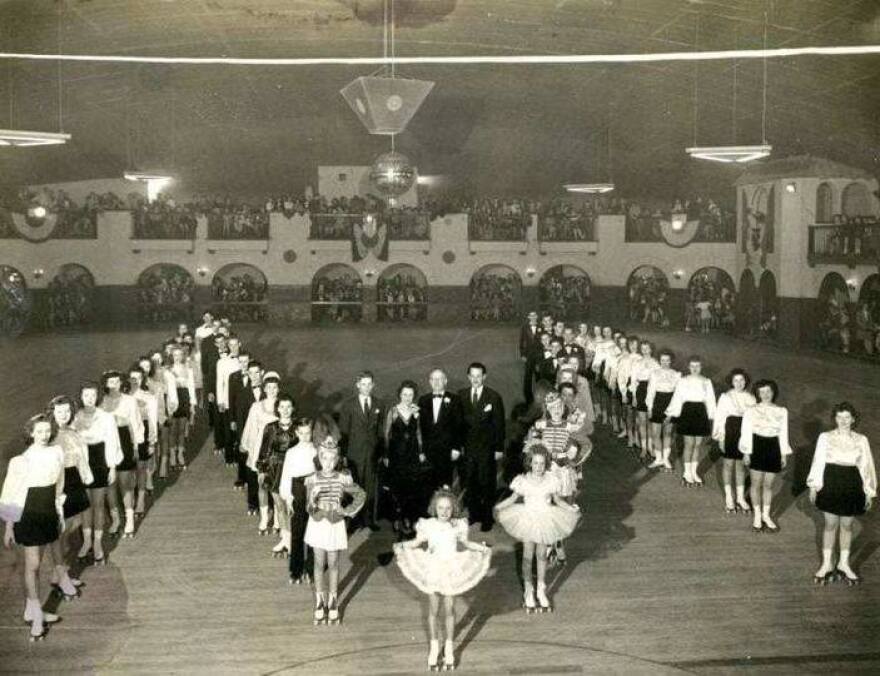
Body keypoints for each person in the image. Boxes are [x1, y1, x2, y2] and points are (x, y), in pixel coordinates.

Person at [394, 486, 491, 670]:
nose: (444, 512)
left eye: (448, 508)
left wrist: (482, 548)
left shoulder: (458, 525)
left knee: (450, 609)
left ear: (453, 508)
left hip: (451, 568)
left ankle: (448, 647)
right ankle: (433, 646)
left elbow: (466, 543)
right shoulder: (427, 525)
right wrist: (402, 546)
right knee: (433, 609)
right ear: (434, 508)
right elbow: (417, 543)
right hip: (433, 567)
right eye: (441, 508)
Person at [0, 414, 66, 640]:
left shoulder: (57, 452)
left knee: (39, 562)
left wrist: (59, 511)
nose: (44, 435)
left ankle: (32, 608)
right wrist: (9, 527)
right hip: (27, 515)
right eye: (39, 432)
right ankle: (37, 614)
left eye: (48, 431)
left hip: (48, 512)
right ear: (30, 433)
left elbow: (59, 485)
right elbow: (10, 496)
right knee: (34, 564)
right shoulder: (21, 461)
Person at [494, 445, 579, 613]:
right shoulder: (523, 480)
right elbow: (512, 498)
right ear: (530, 463)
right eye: (535, 463)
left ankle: (541, 588)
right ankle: (528, 589)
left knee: (541, 555)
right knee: (527, 556)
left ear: (546, 463)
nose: (539, 467)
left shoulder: (551, 480)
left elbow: (558, 500)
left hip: (545, 518)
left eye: (542, 463)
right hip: (528, 519)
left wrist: (570, 509)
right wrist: (498, 507)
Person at [807, 402, 876, 585]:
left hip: (852, 484)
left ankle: (844, 564)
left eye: (847, 417)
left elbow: (866, 466)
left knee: (846, 525)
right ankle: (827, 564)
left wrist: (869, 491)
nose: (843, 421)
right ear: (834, 419)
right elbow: (818, 461)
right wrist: (814, 485)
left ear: (853, 419)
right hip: (831, 482)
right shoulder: (825, 437)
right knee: (830, 524)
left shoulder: (861, 439)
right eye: (839, 417)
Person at [305, 438, 365, 626]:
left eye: (332, 460)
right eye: (325, 459)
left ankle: (333, 601)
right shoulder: (313, 479)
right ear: (319, 459)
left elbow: (361, 495)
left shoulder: (342, 478)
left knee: (333, 563)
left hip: (335, 524)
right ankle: (319, 600)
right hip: (318, 524)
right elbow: (308, 507)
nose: (328, 463)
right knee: (318, 562)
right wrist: (313, 501)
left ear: (337, 460)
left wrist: (347, 511)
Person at [72, 381, 122, 564]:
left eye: (93, 396)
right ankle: (86, 541)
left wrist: (112, 467)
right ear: (81, 397)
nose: (90, 399)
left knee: (99, 504)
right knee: (86, 505)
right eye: (86, 396)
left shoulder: (106, 417)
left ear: (98, 397)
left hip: (101, 460)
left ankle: (98, 542)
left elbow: (113, 442)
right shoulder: (76, 418)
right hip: (83, 463)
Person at [47, 395, 91, 597]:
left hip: (75, 481)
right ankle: (61, 576)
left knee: (74, 526)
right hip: (59, 483)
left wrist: (85, 478)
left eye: (66, 411)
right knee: (61, 532)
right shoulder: (49, 436)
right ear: (52, 414)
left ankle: (60, 573)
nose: (63, 415)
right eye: (59, 412)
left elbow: (81, 458)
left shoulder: (73, 432)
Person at [458, 362, 506, 532]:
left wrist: (499, 448)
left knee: (486, 483)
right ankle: (473, 514)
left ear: (484, 377)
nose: (476, 379)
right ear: (468, 377)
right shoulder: (461, 395)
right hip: (468, 449)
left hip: (487, 449)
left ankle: (487, 518)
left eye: (479, 376)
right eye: (473, 376)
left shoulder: (493, 397)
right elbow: (458, 424)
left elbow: (499, 425)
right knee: (470, 483)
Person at [740, 380, 791, 533]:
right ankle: (757, 515)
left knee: (768, 485)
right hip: (756, 446)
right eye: (762, 392)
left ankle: (766, 515)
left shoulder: (782, 411)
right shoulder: (751, 410)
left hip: (773, 447)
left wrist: (783, 454)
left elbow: (783, 433)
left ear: (773, 392)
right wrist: (747, 452)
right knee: (756, 484)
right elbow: (746, 431)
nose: (765, 395)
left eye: (768, 391)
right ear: (757, 394)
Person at [337, 371, 385, 531]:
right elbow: (343, 431)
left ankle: (369, 520)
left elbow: (380, 431)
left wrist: (381, 452)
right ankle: (352, 520)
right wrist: (343, 455)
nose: (366, 387)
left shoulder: (379, 404)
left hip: (371, 454)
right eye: (363, 384)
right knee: (354, 487)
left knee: (370, 488)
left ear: (373, 385)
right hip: (353, 454)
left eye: (369, 384)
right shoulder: (348, 405)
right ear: (357, 385)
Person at [100, 370, 145, 539]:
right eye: (111, 382)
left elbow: (136, 424)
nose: (114, 385)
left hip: (124, 438)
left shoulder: (130, 400)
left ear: (121, 383)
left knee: (124, 482)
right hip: (106, 442)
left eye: (117, 382)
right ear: (105, 384)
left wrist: (136, 447)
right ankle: (116, 519)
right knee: (110, 483)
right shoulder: (101, 402)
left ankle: (129, 518)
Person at [383, 380, 429, 537]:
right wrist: (386, 455)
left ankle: (408, 518)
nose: (407, 397)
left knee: (411, 488)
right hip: (396, 455)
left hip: (412, 455)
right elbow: (387, 435)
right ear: (399, 395)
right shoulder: (393, 411)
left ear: (414, 396)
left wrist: (421, 452)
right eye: (404, 394)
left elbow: (420, 434)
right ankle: (397, 518)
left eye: (410, 395)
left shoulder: (417, 411)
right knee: (397, 488)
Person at [256, 393, 298, 557]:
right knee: (280, 506)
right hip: (275, 470)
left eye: (288, 407)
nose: (285, 410)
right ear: (277, 409)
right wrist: (262, 470)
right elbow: (264, 451)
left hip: (294, 470)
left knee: (292, 507)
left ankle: (294, 539)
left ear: (293, 408)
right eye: (282, 407)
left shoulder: (298, 427)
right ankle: (286, 539)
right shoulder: (271, 427)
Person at [665, 356, 715, 487]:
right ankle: (687, 473)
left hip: (701, 412)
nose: (694, 369)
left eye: (697, 366)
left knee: (698, 444)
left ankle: (694, 472)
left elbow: (710, 400)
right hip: (687, 411)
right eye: (692, 366)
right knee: (689, 443)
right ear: (688, 367)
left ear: (701, 367)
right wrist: (671, 413)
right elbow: (677, 398)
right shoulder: (683, 381)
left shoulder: (706, 381)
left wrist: (712, 417)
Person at [241, 372, 281, 534]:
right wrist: (249, 450)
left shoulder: (283, 405)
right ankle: (264, 518)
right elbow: (251, 428)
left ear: (278, 389)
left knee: (277, 487)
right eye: (269, 387)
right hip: (262, 451)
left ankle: (278, 520)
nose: (272, 390)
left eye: (275, 387)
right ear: (264, 389)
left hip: (278, 452)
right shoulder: (256, 407)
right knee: (263, 485)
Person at [279, 417, 317, 584]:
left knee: (313, 531)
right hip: (297, 489)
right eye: (301, 433)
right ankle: (295, 569)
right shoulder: (291, 452)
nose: (305, 436)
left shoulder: (317, 450)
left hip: (313, 489)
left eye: (308, 432)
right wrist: (288, 497)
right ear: (296, 433)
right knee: (297, 530)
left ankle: (310, 569)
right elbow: (286, 477)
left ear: (312, 432)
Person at [712, 369, 756, 513]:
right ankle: (729, 497)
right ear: (731, 382)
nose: (739, 383)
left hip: (745, 433)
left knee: (741, 466)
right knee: (728, 464)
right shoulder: (725, 397)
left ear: (746, 382)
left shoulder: (751, 398)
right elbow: (720, 418)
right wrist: (720, 437)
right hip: (730, 431)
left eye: (742, 380)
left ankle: (740, 498)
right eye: (736, 380)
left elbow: (754, 420)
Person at [418, 369, 465, 489]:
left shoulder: (455, 399)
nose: (437, 382)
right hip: (428, 451)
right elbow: (421, 428)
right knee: (427, 485)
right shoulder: (423, 400)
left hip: (447, 451)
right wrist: (421, 451)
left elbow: (459, 426)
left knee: (445, 485)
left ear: (445, 381)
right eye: (433, 379)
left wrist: (456, 447)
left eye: (440, 379)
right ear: (429, 381)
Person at [231, 358, 263, 514]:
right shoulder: (243, 394)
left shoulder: (268, 392)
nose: (254, 376)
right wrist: (241, 441)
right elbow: (240, 418)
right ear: (248, 374)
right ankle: (253, 503)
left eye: (257, 372)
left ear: (261, 373)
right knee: (251, 471)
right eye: (251, 373)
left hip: (265, 438)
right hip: (249, 438)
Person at [129, 366, 158, 520]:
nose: (135, 381)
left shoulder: (148, 397)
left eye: (138, 378)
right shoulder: (123, 397)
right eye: (132, 378)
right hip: (127, 435)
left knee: (141, 467)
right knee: (130, 471)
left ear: (143, 380)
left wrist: (152, 441)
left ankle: (140, 500)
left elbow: (152, 421)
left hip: (143, 432)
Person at [646, 350, 679, 471]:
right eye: (663, 360)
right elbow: (650, 391)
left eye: (667, 360)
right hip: (657, 403)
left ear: (671, 361)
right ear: (660, 361)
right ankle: (658, 458)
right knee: (655, 433)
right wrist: (650, 407)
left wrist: (672, 411)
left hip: (670, 403)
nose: (665, 363)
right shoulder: (654, 373)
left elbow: (677, 395)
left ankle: (666, 459)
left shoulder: (676, 374)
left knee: (667, 433)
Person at [165, 345, 195, 471]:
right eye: (175, 355)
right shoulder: (167, 370)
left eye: (179, 354)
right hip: (172, 401)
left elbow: (191, 388)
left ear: (183, 356)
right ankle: (172, 456)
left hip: (184, 399)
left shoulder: (188, 370)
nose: (177, 357)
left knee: (182, 429)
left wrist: (192, 404)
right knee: (172, 430)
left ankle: (180, 455)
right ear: (172, 356)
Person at [216, 335, 243, 467]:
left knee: (241, 430)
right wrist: (220, 401)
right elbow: (219, 382)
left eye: (235, 344)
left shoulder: (246, 360)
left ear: (240, 344)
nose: (234, 347)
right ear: (227, 346)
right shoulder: (222, 362)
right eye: (231, 345)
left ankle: (240, 457)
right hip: (228, 401)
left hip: (242, 402)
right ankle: (229, 458)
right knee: (229, 432)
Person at [630, 340, 658, 464]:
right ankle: (644, 448)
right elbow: (633, 381)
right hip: (641, 390)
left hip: (652, 391)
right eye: (643, 348)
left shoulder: (655, 363)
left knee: (651, 422)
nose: (645, 350)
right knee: (642, 421)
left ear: (651, 349)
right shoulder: (637, 363)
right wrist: (635, 397)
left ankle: (651, 447)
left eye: (647, 348)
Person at [519, 310, 542, 403]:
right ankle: (528, 398)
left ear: (536, 317)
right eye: (531, 316)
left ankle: (540, 395)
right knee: (527, 377)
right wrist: (523, 355)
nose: (533, 317)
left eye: (534, 316)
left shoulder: (541, 327)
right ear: (529, 317)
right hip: (528, 356)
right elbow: (521, 342)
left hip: (539, 356)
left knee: (539, 376)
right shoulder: (524, 328)